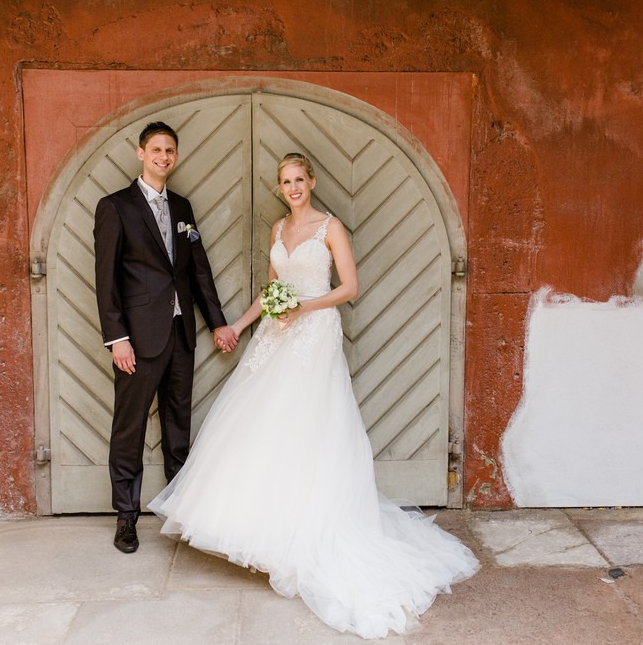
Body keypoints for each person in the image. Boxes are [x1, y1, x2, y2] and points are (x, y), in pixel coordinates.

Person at [149, 152, 479, 639]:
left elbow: (349, 287)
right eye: (286, 181)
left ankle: (301, 533)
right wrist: (237, 327)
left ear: (313, 181)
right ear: (280, 188)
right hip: (275, 339)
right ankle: (261, 532)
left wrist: (305, 306)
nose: (293, 187)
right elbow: (272, 289)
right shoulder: (278, 229)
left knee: (306, 424)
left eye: (300, 179)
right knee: (260, 425)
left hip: (314, 334)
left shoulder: (330, 227)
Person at [93, 121, 239, 554]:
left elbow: (198, 270)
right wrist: (117, 337)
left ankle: (181, 514)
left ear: (176, 156)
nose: (163, 157)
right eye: (155, 149)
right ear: (141, 153)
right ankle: (126, 517)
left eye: (169, 150)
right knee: (130, 427)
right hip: (137, 339)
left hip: (180, 335)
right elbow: (107, 282)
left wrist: (216, 323)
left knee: (179, 426)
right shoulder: (115, 207)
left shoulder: (183, 207)